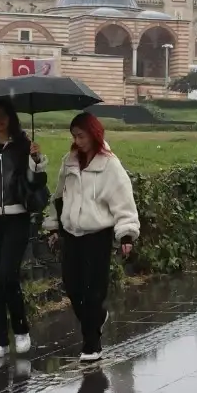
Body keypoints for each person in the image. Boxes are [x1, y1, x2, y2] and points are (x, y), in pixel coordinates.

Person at [43, 111, 140, 362]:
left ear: (93, 134)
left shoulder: (109, 164)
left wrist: (126, 235)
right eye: (74, 136)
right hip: (72, 233)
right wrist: (53, 227)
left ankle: (91, 344)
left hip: (98, 234)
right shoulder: (69, 162)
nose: (78, 140)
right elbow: (59, 196)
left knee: (93, 289)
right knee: (73, 286)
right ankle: (96, 318)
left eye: (82, 135)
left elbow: (123, 201)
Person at [0, 100, 49, 361]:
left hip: (17, 217)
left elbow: (37, 181)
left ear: (11, 118)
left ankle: (21, 329)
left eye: (2, 116)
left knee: (7, 274)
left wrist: (36, 160)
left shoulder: (24, 146)